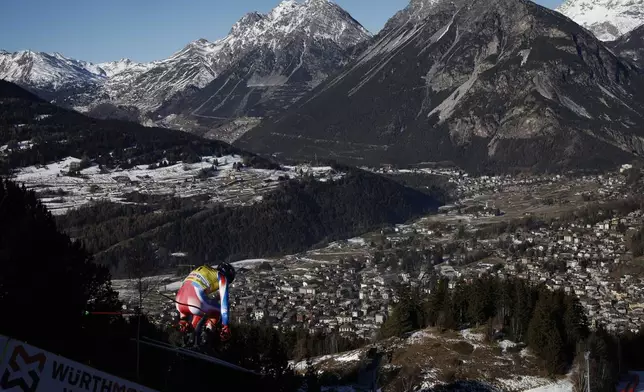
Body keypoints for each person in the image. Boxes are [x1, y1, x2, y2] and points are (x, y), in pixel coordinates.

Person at [175, 262, 236, 345]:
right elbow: (224, 304)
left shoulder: (205, 270)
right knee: (218, 311)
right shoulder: (222, 277)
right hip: (195, 301)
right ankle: (207, 335)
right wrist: (225, 325)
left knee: (202, 309)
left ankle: (188, 332)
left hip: (179, 302)